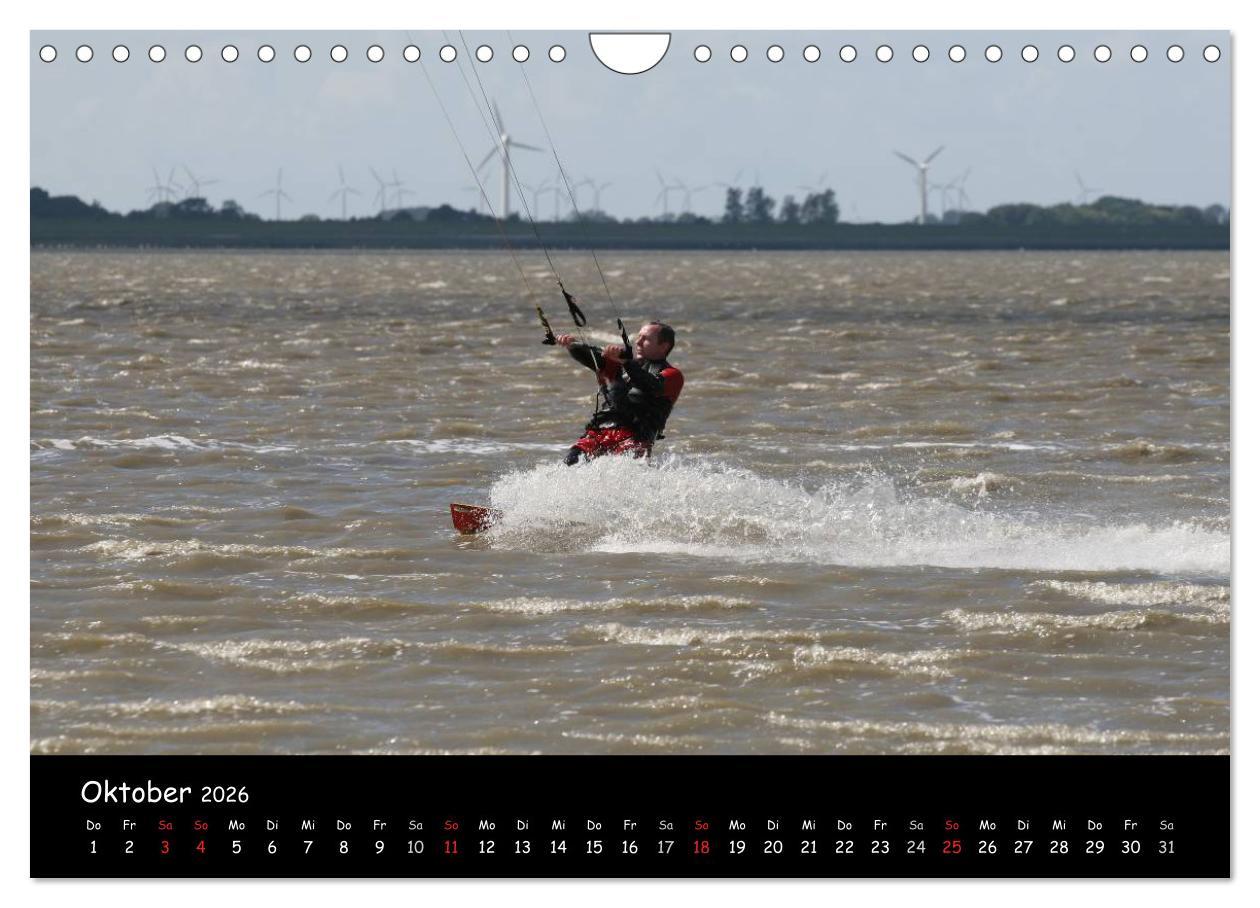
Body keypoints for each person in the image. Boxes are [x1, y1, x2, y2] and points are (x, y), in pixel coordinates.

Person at [554, 321, 684, 465]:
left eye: (646, 339)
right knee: (569, 464)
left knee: (621, 472)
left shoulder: (672, 375)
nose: (638, 342)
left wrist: (625, 362)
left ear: (664, 346)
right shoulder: (619, 365)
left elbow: (650, 385)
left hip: (635, 437)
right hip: (599, 432)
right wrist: (572, 346)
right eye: (639, 337)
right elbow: (595, 358)